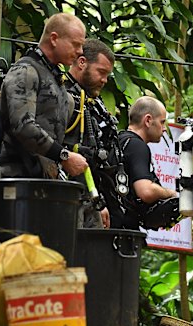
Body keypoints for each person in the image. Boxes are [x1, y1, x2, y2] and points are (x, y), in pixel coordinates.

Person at [0, 13, 88, 178]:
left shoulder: (54, 78)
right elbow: (23, 126)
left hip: (42, 181)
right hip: (17, 180)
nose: (80, 51)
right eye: (75, 44)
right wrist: (64, 156)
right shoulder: (25, 71)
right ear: (54, 39)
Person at [63, 38, 117, 229]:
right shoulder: (63, 96)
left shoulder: (91, 102)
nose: (104, 80)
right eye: (101, 72)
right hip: (65, 197)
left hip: (89, 196)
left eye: (107, 75)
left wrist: (97, 200)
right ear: (82, 62)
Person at [115, 96, 177, 229]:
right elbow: (146, 191)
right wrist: (172, 194)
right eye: (162, 122)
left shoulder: (120, 140)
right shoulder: (138, 146)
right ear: (148, 120)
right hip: (123, 231)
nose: (164, 128)